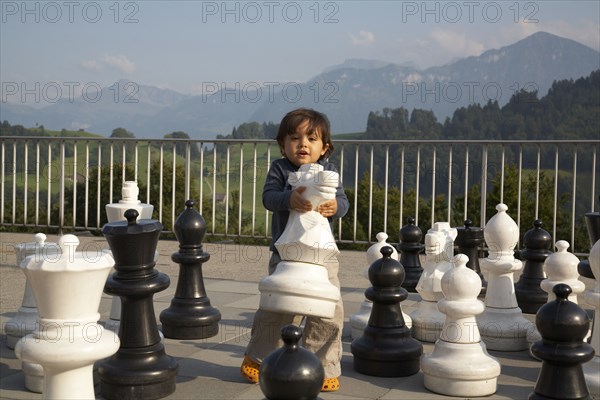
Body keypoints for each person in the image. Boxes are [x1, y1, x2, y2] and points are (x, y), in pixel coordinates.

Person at [241, 108, 349, 392]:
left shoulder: (331, 171)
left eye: (311, 138)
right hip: (285, 253)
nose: (303, 144)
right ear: (282, 144)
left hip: (323, 258)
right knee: (277, 308)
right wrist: (289, 198)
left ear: (324, 147)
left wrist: (335, 207)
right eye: (294, 138)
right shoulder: (280, 169)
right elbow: (268, 198)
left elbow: (343, 202)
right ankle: (259, 355)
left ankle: (324, 364)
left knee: (329, 311)